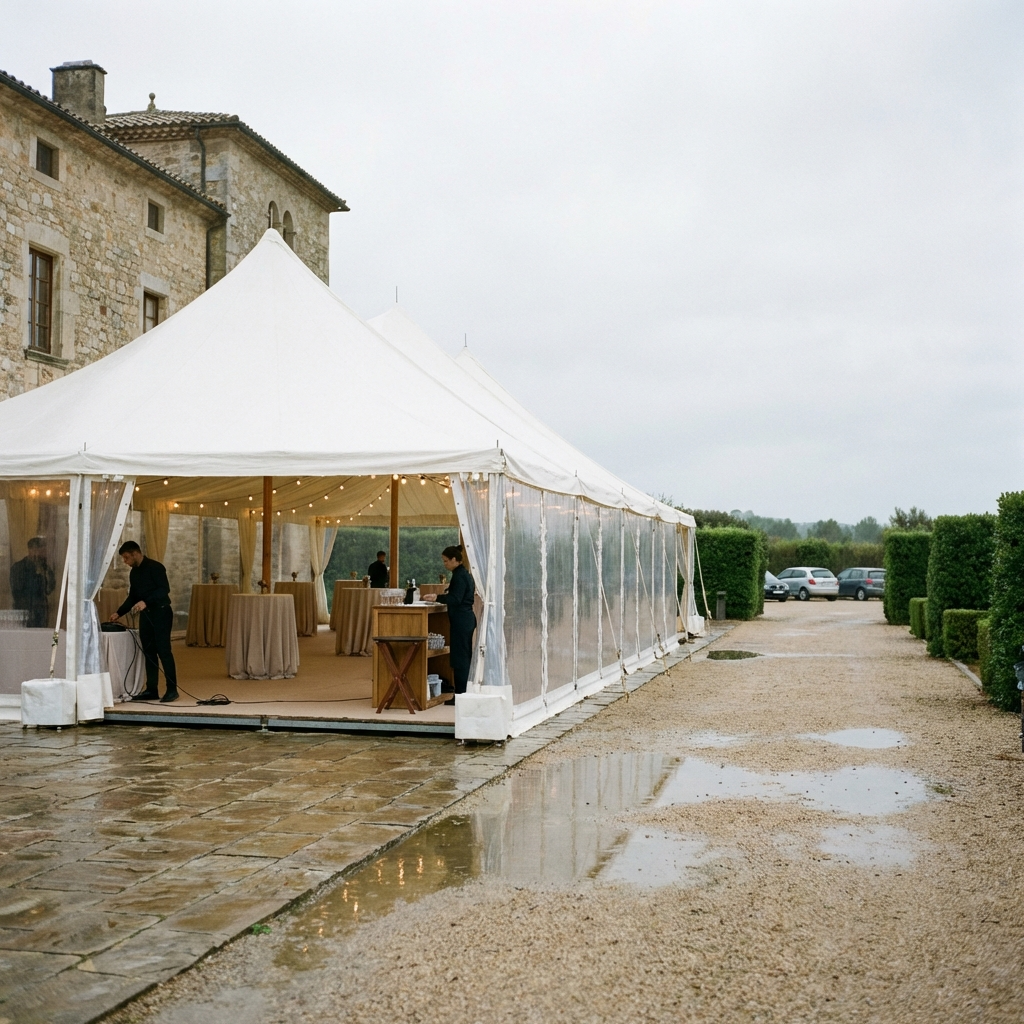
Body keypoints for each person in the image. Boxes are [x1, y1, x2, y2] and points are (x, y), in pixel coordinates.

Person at [109, 540, 178, 702]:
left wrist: (146, 601)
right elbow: (133, 596)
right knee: (149, 652)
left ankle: (172, 689)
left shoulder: (156, 567)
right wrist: (119, 612)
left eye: (126, 558)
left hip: (161, 613)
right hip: (146, 616)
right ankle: (152, 689)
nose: (125, 562)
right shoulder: (134, 573)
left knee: (164, 651)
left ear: (135, 553)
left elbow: (163, 589)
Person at [433, 545, 476, 697]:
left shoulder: (459, 576)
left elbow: (455, 599)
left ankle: (461, 692)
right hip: (466, 618)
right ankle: (463, 689)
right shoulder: (464, 573)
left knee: (460, 658)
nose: (444, 564)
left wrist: (437, 597)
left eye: (446, 561)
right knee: (463, 655)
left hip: (461, 620)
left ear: (454, 560)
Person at [10, 536, 55, 628]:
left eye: (41, 551)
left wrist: (44, 575)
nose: (38, 553)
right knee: (24, 637)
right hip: (23, 610)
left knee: (41, 637)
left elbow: (49, 588)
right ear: (30, 550)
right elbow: (16, 589)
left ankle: (52, 643)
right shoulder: (19, 567)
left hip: (41, 612)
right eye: (35, 550)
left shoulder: (45, 567)